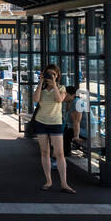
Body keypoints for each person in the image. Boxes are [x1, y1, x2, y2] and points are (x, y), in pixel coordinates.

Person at [33, 64, 74, 193]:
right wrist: (40, 83)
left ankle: (64, 183)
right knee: (45, 152)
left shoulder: (61, 88)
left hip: (55, 122)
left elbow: (58, 100)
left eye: (53, 74)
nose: (50, 76)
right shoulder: (41, 88)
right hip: (41, 122)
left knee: (60, 153)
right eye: (48, 74)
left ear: (57, 76)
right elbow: (35, 99)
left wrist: (54, 85)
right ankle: (48, 180)